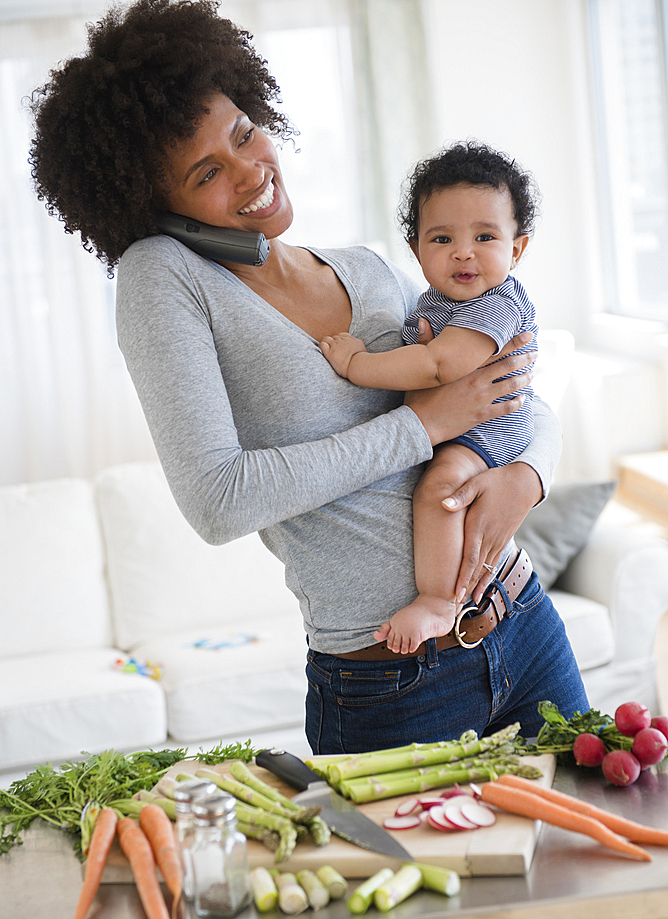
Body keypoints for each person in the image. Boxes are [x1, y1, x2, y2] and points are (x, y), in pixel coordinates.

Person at [28, 0, 589, 753]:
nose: (251, 172)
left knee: (605, 859)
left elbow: (510, 382)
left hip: (524, 622)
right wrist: (422, 425)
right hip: (390, 678)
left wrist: (531, 475)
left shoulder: (368, 266)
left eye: (243, 134)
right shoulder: (163, 277)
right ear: (154, 207)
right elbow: (218, 500)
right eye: (206, 174)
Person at [319, 142, 539, 656]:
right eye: (443, 238)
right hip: (466, 425)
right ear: (417, 252)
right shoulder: (437, 300)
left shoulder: (496, 305)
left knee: (438, 490)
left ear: (517, 248)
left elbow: (440, 364)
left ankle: (439, 600)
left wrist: (356, 364)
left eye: (485, 236)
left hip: (489, 433)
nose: (464, 251)